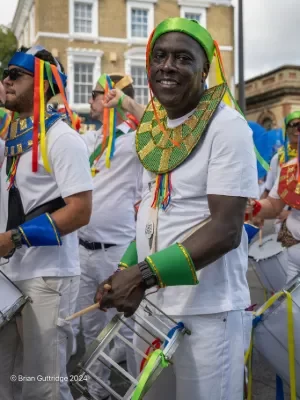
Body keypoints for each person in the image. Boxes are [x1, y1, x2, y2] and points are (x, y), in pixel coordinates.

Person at [95, 17, 258, 400]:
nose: (167, 66)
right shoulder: (155, 127)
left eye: (183, 58)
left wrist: (141, 276)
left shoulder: (227, 126)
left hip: (207, 314)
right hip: (152, 310)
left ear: (205, 70)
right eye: (160, 56)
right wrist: (123, 272)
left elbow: (226, 230)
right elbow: (154, 211)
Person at [0, 46, 93, 400]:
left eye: (14, 75)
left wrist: (14, 238)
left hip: (48, 277)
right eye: (5, 73)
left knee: (44, 387)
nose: (5, 80)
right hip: (10, 275)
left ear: (41, 84)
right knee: (7, 382)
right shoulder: (11, 137)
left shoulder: (63, 138)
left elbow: (80, 210)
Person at [74, 73, 143, 400]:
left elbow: (162, 126)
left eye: (96, 94)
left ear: (112, 96)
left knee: (127, 328)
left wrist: (127, 103)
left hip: (117, 253)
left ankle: (134, 391)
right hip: (83, 251)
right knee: (90, 329)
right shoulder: (90, 138)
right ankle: (96, 391)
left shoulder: (135, 139)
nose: (90, 100)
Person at [247, 114, 300, 284]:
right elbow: (273, 204)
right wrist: (249, 207)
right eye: (294, 126)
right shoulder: (290, 167)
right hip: (293, 255)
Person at [259, 111, 300, 231]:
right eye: (293, 125)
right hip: (282, 226)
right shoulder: (279, 159)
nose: (297, 129)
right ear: (286, 130)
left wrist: (293, 216)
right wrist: (258, 210)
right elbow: (269, 191)